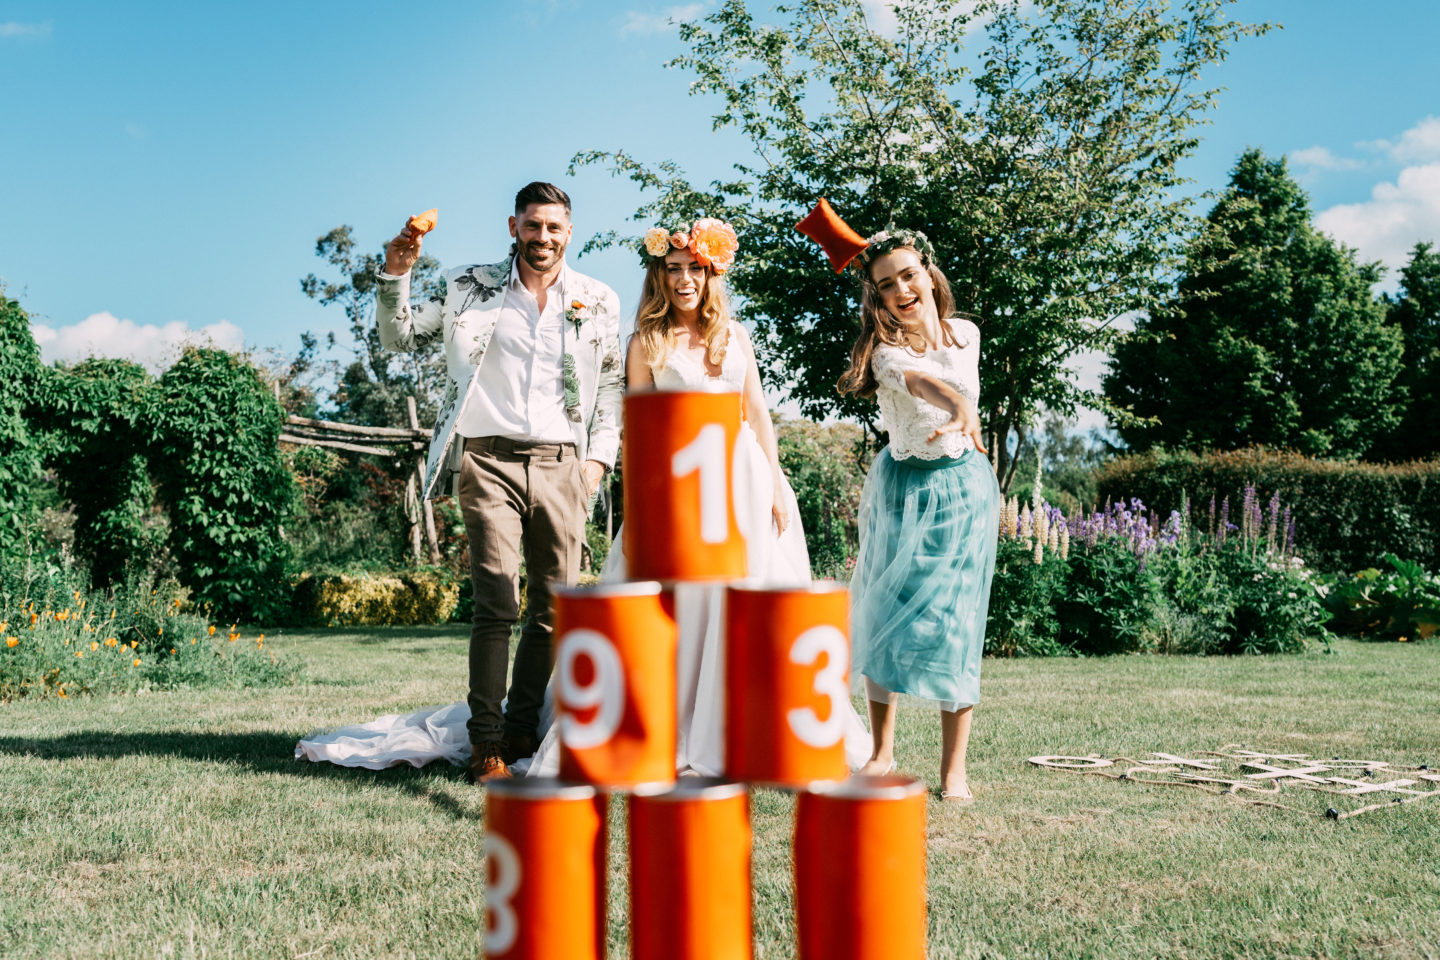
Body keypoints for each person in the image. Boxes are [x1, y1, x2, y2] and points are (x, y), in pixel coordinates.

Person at [519, 218, 871, 777]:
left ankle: (753, 732)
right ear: (660, 276)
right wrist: (635, 514)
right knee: (679, 608)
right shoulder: (645, 344)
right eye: (674, 269)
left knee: (750, 605)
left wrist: (778, 485)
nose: (684, 281)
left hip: (747, 485)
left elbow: (757, 415)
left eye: (695, 270)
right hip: (682, 490)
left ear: (712, 275)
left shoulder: (736, 336)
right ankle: (671, 730)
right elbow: (637, 434)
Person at [349, 181, 622, 782]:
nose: (542, 237)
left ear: (569, 231)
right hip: (486, 460)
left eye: (554, 227)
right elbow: (399, 339)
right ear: (512, 227)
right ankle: (487, 744)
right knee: (497, 601)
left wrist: (597, 463)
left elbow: (608, 387)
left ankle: (523, 727)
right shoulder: (466, 285)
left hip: (563, 463)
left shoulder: (600, 299)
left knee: (555, 609)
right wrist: (395, 275)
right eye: (532, 225)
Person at [798, 200, 999, 801]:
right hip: (902, 488)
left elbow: (955, 374)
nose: (900, 289)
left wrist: (965, 415)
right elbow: (923, 382)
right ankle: (882, 754)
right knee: (885, 609)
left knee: (958, 620)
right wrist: (960, 406)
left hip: (962, 489)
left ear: (928, 273)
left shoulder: (967, 334)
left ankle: (954, 770)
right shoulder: (887, 354)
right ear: (878, 299)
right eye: (886, 285)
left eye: (907, 274)